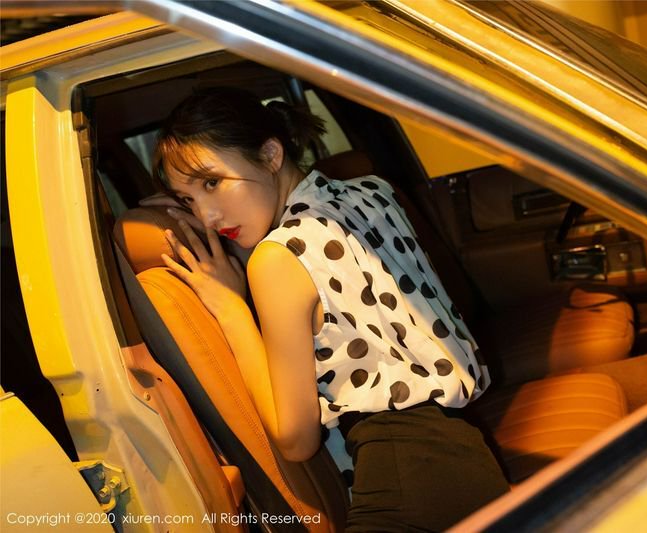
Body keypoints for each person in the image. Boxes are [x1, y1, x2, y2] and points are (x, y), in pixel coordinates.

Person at [147, 87, 509, 531]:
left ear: (271, 154)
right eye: (187, 199)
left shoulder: (277, 260)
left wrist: (231, 308)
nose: (206, 216)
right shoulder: (371, 192)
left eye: (211, 183)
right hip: (465, 457)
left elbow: (295, 440)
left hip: (404, 483)